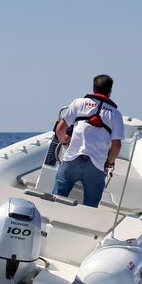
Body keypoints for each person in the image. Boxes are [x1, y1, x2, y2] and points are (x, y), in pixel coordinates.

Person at [52, 74, 125, 208]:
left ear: (93, 89)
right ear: (110, 92)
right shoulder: (116, 115)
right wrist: (109, 163)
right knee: (89, 209)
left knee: (57, 200)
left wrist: (64, 141)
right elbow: (116, 146)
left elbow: (60, 129)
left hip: (72, 160)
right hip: (96, 166)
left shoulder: (78, 103)